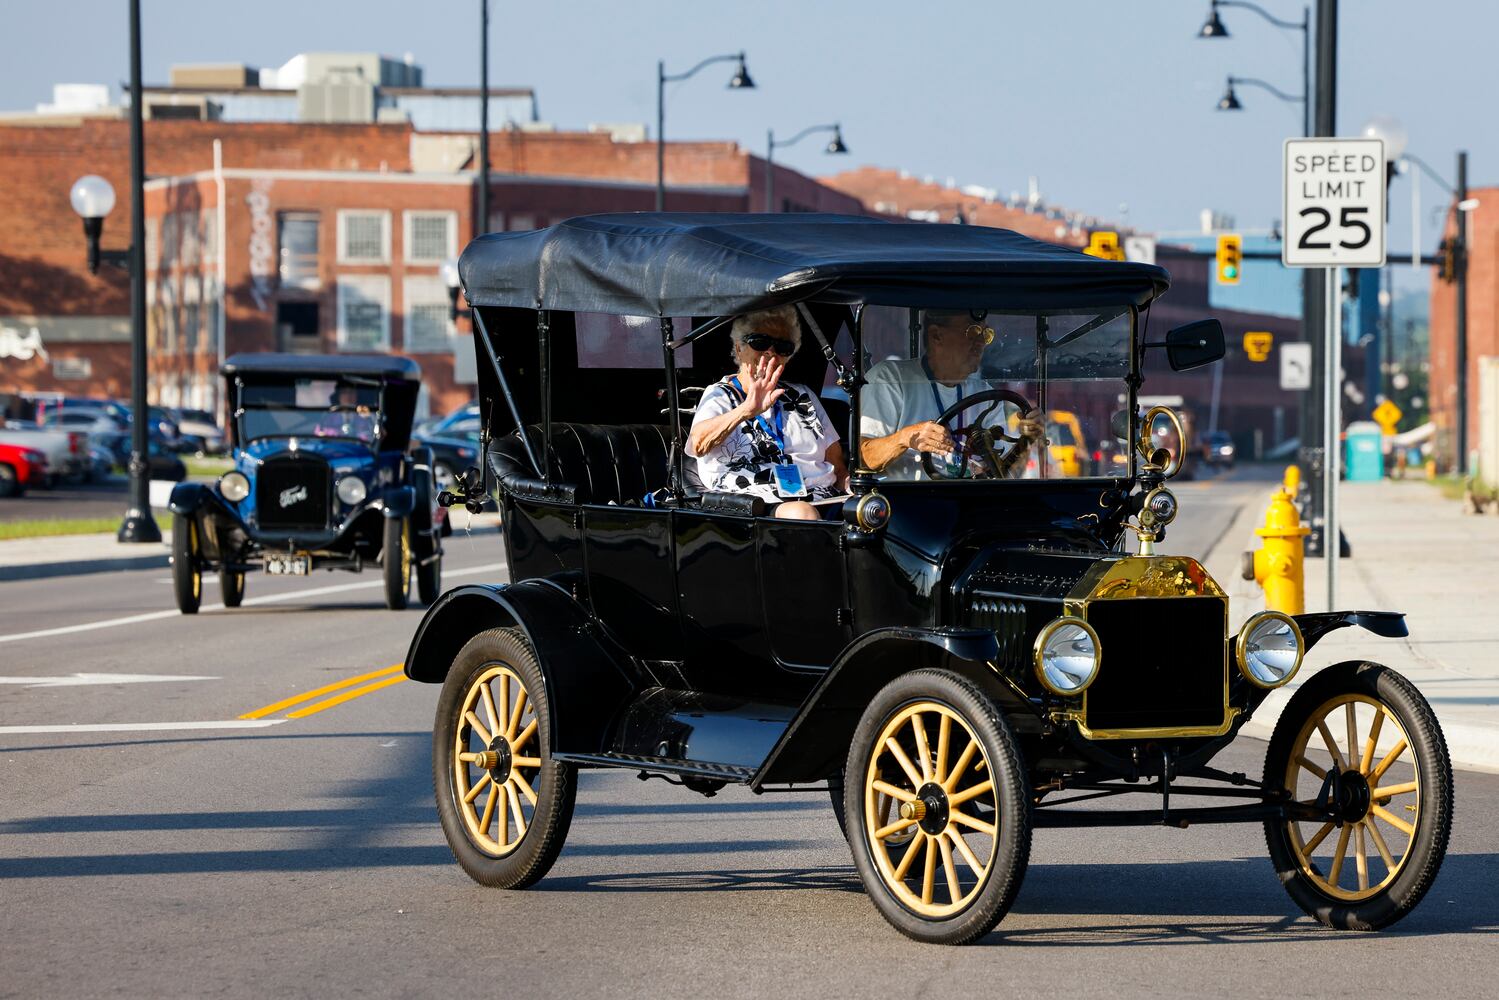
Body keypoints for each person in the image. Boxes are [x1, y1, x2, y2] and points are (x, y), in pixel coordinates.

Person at [687, 304, 848, 520]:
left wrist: (851, 486)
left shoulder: (802, 394)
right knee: (802, 514)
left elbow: (837, 465)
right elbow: (698, 444)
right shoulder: (720, 395)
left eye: (782, 347)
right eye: (760, 342)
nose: (770, 352)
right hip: (755, 506)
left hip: (824, 497)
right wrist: (746, 410)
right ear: (739, 348)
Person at [860, 309, 1045, 480]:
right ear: (936, 335)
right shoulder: (889, 379)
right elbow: (864, 459)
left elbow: (1000, 474)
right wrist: (904, 438)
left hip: (969, 506)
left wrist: (1026, 441)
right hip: (906, 505)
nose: (981, 343)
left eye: (986, 334)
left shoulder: (986, 394)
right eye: (972, 332)